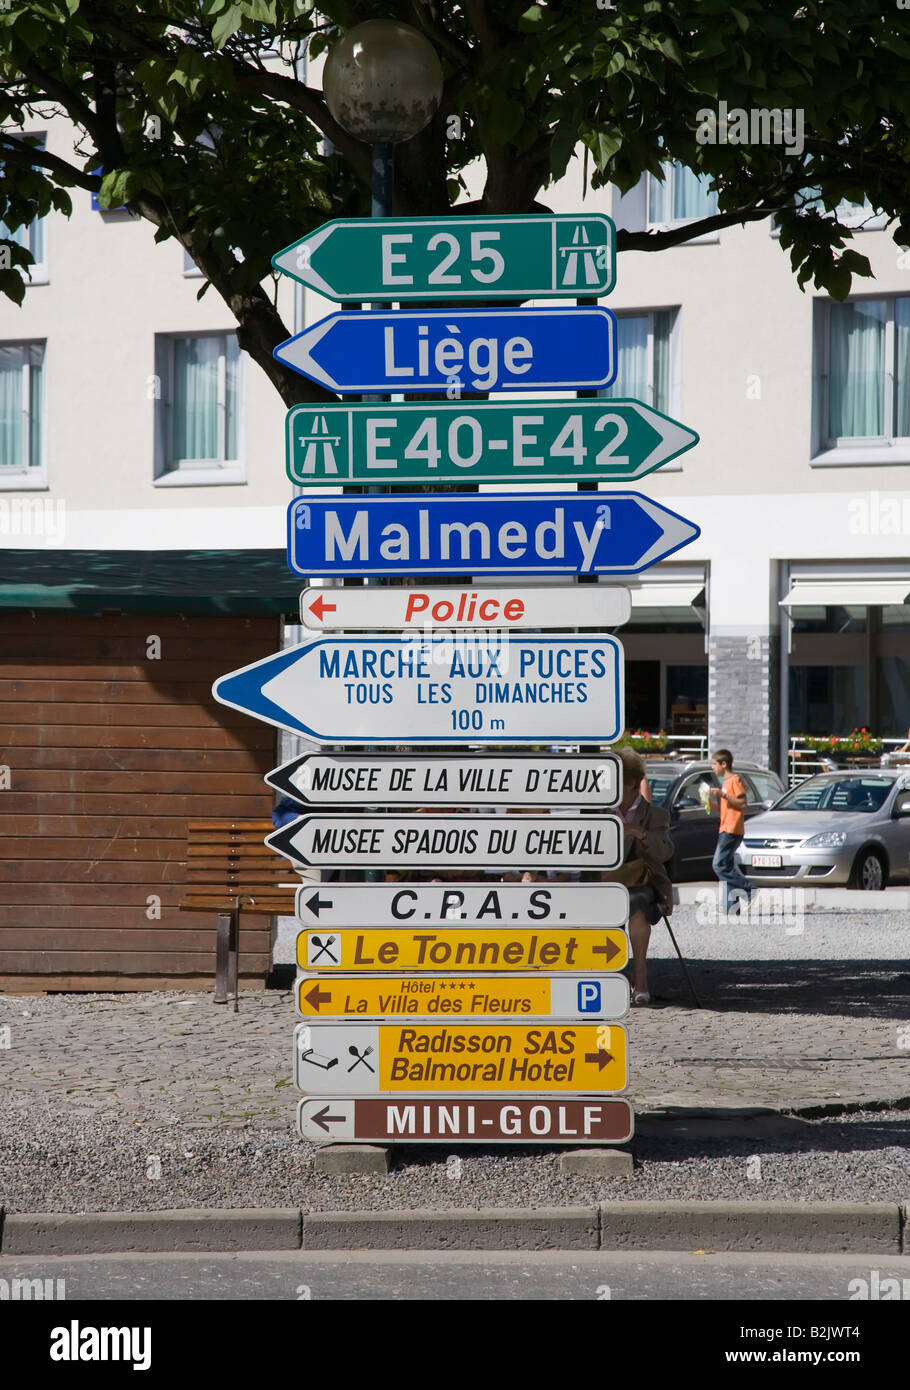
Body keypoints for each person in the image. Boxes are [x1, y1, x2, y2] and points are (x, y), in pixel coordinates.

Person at [602, 747, 674, 1006]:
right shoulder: (597, 812)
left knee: (638, 909)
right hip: (604, 884)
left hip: (641, 883)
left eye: (616, 781)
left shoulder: (655, 815)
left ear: (631, 783)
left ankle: (640, 979)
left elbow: (665, 852)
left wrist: (640, 834)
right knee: (601, 907)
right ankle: (608, 979)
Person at [707, 748, 753, 915]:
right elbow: (728, 808)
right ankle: (731, 907)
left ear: (724, 764)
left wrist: (723, 795)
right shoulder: (725, 783)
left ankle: (749, 889)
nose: (712, 767)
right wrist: (712, 805)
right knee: (725, 866)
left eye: (714, 764)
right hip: (725, 827)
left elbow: (742, 804)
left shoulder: (735, 780)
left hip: (732, 829)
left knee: (718, 865)